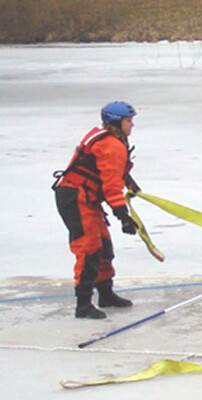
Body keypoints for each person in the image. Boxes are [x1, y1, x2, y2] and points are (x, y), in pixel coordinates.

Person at [52, 101, 143, 319]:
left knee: (104, 248)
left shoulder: (108, 138)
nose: (132, 125)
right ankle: (83, 306)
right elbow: (111, 186)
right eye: (129, 121)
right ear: (116, 122)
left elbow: (106, 171)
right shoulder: (112, 145)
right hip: (77, 198)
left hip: (84, 197)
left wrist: (129, 181)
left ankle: (105, 294)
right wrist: (123, 216)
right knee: (89, 250)